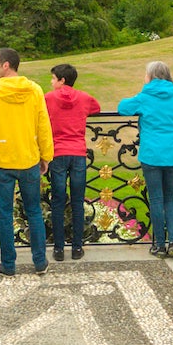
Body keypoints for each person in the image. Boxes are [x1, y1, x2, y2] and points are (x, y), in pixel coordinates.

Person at [0, 48, 53, 276]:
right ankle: (40, 261)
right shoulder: (34, 90)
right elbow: (43, 125)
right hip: (28, 158)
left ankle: (8, 264)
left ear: (6, 65)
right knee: (34, 211)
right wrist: (46, 154)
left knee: (5, 213)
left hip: (3, 160)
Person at [117, 60, 173, 259]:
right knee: (169, 199)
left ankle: (159, 245)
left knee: (156, 199)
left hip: (152, 154)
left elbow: (122, 108)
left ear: (151, 76)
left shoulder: (145, 96)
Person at [44, 63, 100, 262]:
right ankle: (77, 247)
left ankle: (58, 248)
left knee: (58, 201)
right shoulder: (83, 97)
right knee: (77, 201)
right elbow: (96, 108)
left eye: (53, 79)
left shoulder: (49, 98)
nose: (51, 83)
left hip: (58, 152)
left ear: (62, 80)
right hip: (77, 153)